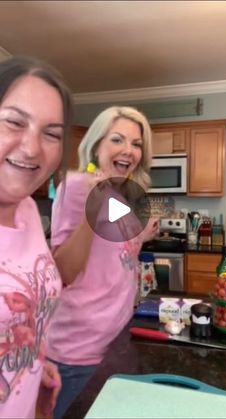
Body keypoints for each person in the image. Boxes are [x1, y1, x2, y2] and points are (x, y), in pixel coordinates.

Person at [46, 106, 159, 418]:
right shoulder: (77, 186)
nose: (129, 150)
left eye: (137, 144)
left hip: (115, 339)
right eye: (118, 140)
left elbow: (119, 251)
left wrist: (142, 237)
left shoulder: (119, 195)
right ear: (96, 145)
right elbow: (64, 270)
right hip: (77, 348)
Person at [0, 55, 73, 418]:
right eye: (14, 121)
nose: (32, 148)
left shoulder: (27, 207)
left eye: (51, 134)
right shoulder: (80, 188)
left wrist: (30, 366)